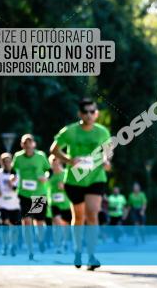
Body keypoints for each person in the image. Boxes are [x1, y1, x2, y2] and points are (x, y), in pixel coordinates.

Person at [50, 97, 113, 271]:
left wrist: (106, 161)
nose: (89, 115)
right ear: (80, 114)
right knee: (78, 217)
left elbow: (107, 152)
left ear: (97, 113)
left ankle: (92, 255)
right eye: (85, 112)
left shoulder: (102, 132)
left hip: (96, 178)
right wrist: (69, 160)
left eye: (92, 111)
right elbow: (54, 149)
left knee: (92, 213)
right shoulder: (70, 131)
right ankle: (78, 250)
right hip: (74, 180)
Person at [12, 134, 51, 260]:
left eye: (30, 143)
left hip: (39, 194)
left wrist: (45, 177)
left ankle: (40, 240)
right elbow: (14, 171)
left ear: (34, 144)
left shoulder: (40, 156)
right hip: (23, 194)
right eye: (25, 143)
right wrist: (13, 178)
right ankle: (30, 249)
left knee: (39, 223)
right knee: (26, 222)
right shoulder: (17, 157)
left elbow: (48, 170)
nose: (28, 145)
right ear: (22, 145)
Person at [0, 152, 21, 256]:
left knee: (15, 227)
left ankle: (13, 245)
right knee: (5, 224)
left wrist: (11, 183)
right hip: (3, 204)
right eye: (4, 162)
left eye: (9, 161)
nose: (7, 164)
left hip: (15, 204)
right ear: (1, 163)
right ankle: (5, 246)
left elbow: (16, 188)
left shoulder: (16, 174)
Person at [48, 154, 72, 253]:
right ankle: (57, 245)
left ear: (60, 162)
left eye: (56, 162)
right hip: (54, 203)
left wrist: (65, 187)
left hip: (66, 203)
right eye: (53, 163)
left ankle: (65, 242)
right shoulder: (49, 175)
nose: (55, 165)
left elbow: (72, 187)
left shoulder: (66, 174)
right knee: (57, 223)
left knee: (66, 225)